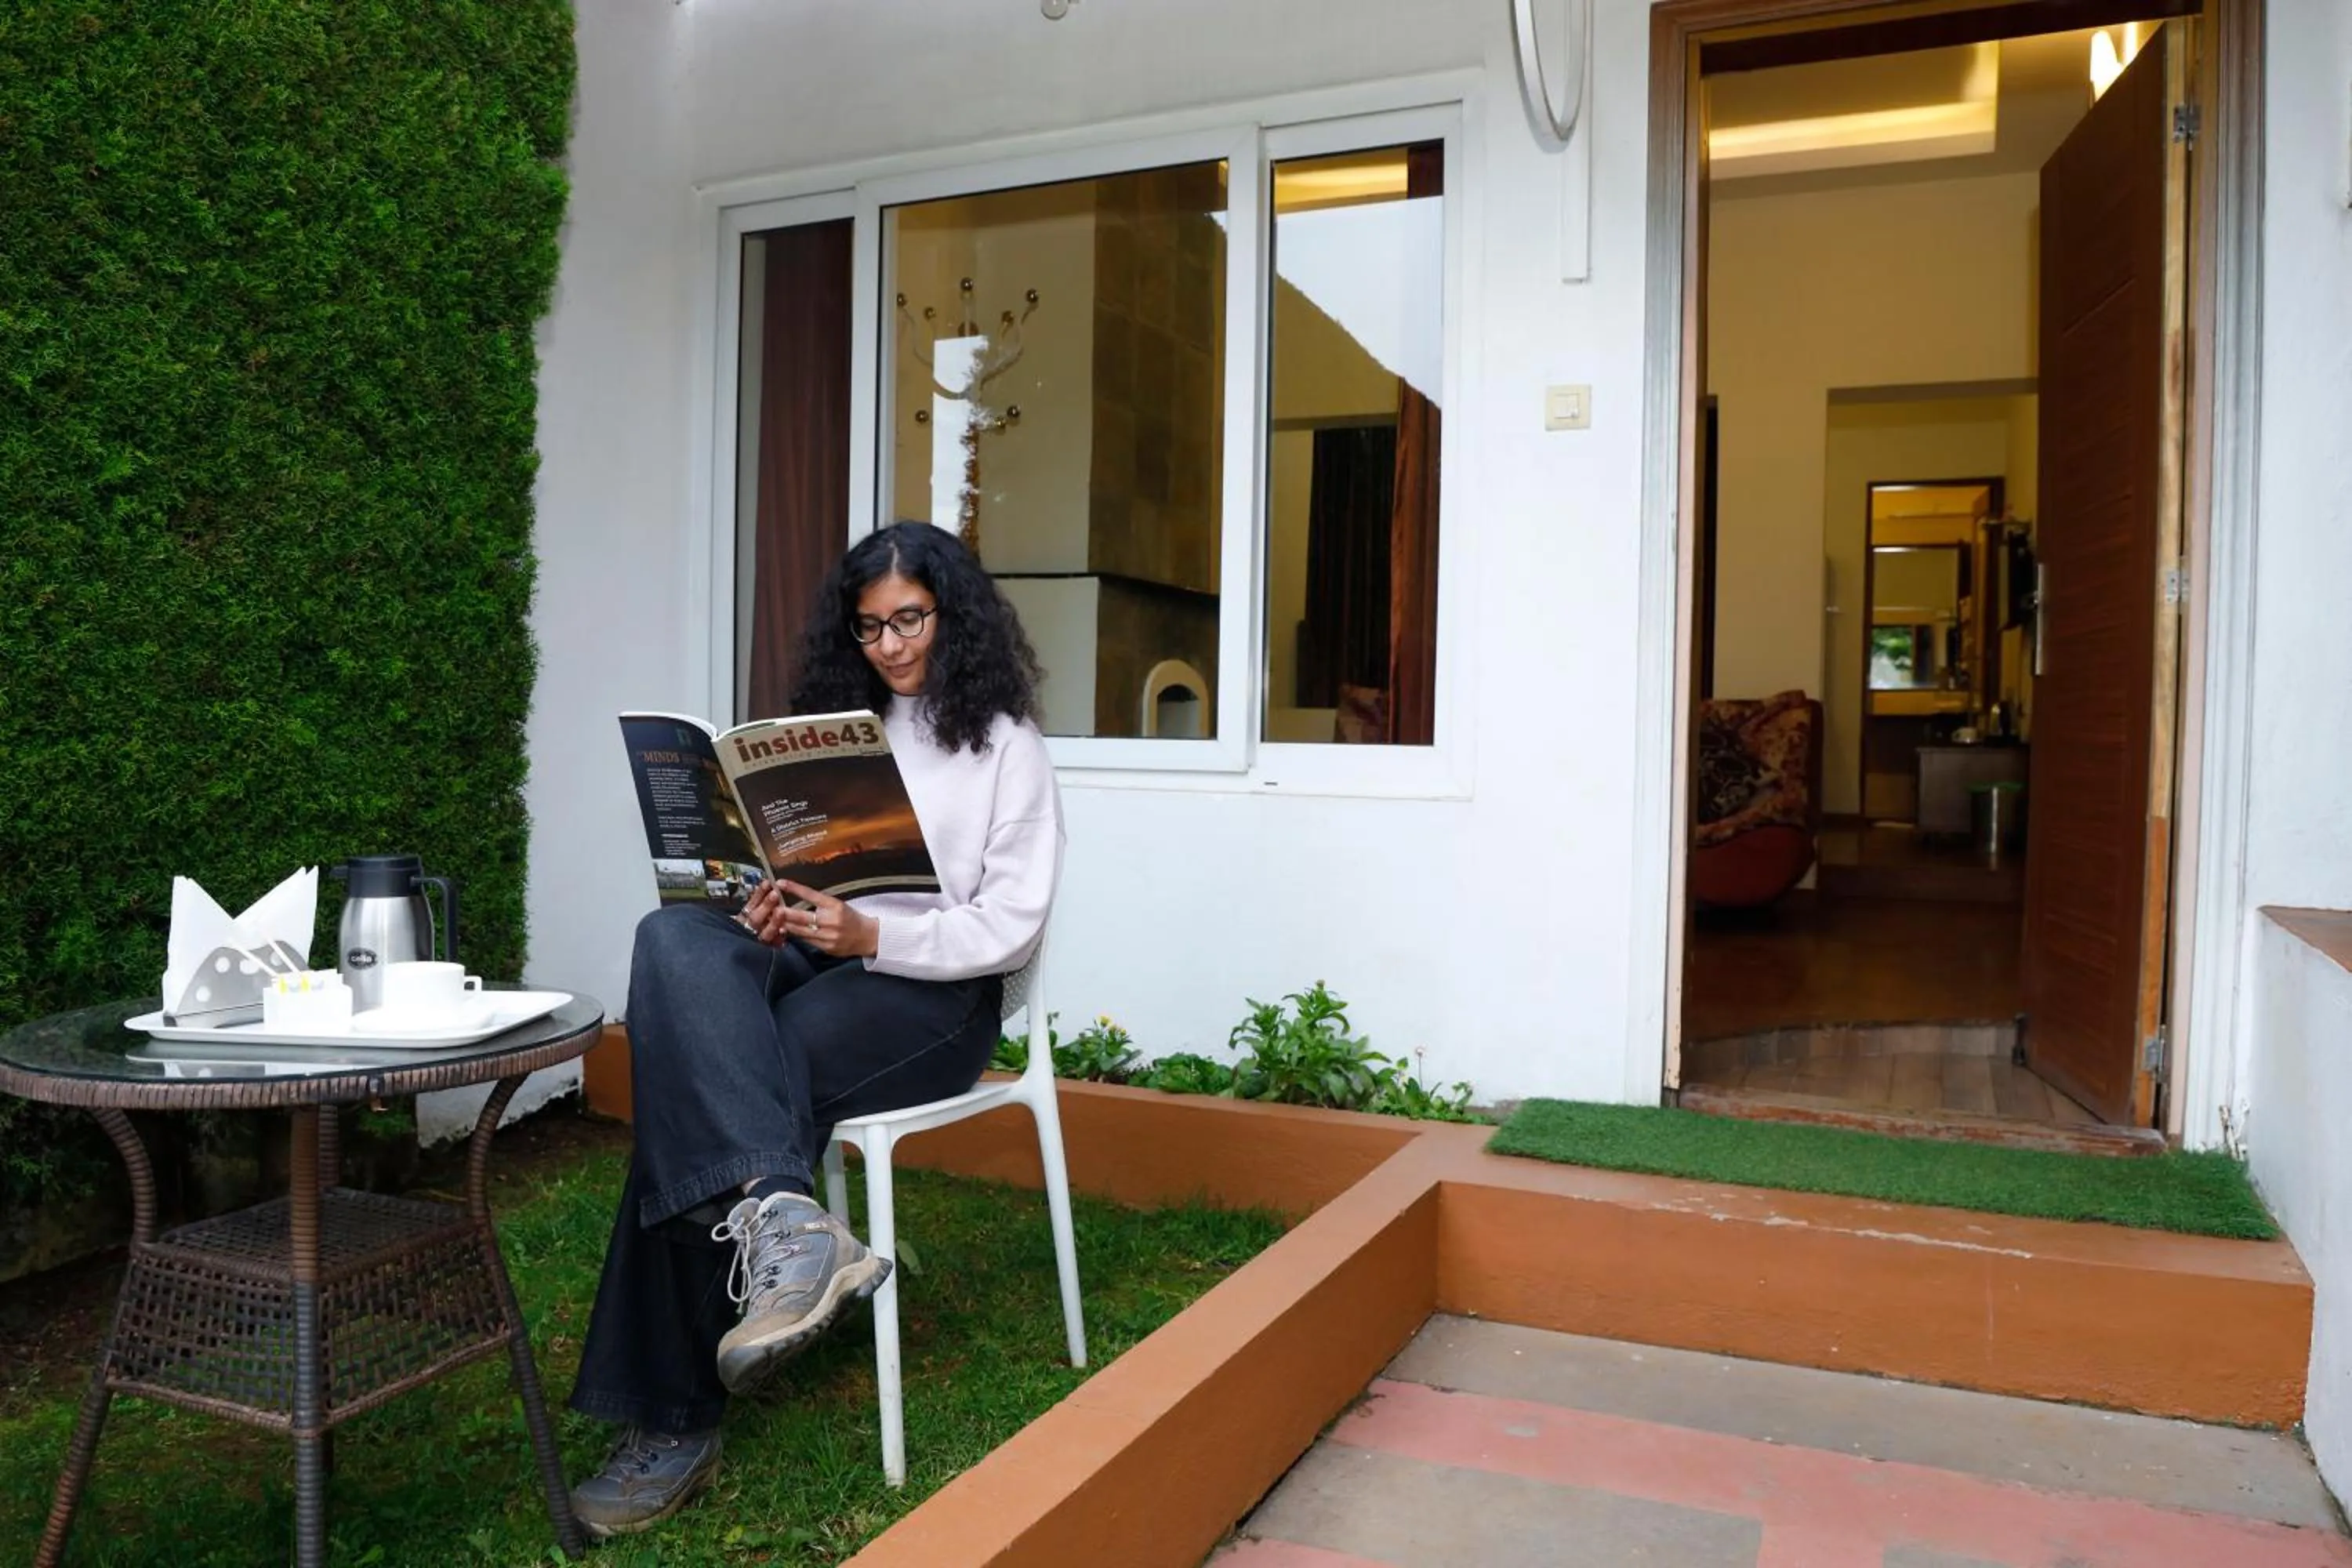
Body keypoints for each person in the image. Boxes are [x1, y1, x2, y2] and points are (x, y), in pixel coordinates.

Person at [565, 522, 1062, 1537]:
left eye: (910, 620)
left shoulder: (1009, 749)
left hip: (932, 997)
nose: (889, 645)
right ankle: (788, 1222)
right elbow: (797, 881)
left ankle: (673, 1423)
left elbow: (1010, 929)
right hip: (816, 950)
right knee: (674, 940)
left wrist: (869, 930)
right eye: (870, 626)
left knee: (726, 1078)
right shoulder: (841, 732)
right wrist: (772, 900)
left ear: (953, 614)